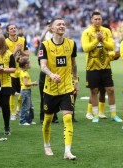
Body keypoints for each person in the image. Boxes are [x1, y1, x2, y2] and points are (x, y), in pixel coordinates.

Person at [39, 17, 78, 160]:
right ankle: (46, 145)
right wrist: (51, 74)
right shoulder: (45, 45)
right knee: (47, 120)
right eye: (58, 24)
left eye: (63, 24)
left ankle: (67, 151)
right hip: (50, 89)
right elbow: (43, 66)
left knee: (68, 118)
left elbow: (73, 64)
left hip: (66, 88)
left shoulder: (71, 44)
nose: (62, 26)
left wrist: (75, 80)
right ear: (52, 29)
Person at [81, 11, 122, 123]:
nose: (97, 21)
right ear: (91, 20)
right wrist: (96, 40)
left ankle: (114, 114)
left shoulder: (106, 31)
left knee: (111, 89)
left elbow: (111, 46)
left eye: (99, 19)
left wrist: (102, 41)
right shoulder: (86, 33)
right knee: (94, 91)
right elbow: (86, 48)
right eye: (95, 19)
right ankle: (95, 115)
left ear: (102, 20)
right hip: (92, 66)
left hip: (105, 66)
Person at [5, 24, 30, 121]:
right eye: (11, 29)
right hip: (12, 70)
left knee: (22, 92)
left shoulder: (22, 40)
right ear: (8, 31)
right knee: (12, 94)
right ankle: (12, 113)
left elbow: (27, 54)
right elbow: (8, 58)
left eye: (14, 28)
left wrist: (21, 51)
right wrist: (16, 50)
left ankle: (18, 109)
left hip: (21, 70)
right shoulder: (6, 42)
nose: (13, 30)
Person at [38, 20, 59, 124]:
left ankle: (54, 115)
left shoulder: (58, 38)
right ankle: (43, 115)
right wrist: (46, 30)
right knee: (44, 95)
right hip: (46, 70)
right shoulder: (46, 40)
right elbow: (40, 40)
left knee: (55, 95)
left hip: (56, 70)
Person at [18, 56, 38, 125]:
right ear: (26, 65)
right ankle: (22, 121)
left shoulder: (24, 72)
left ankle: (29, 120)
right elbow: (26, 83)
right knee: (25, 106)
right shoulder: (24, 74)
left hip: (27, 91)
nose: (31, 64)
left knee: (30, 106)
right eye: (30, 63)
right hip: (25, 91)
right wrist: (33, 83)